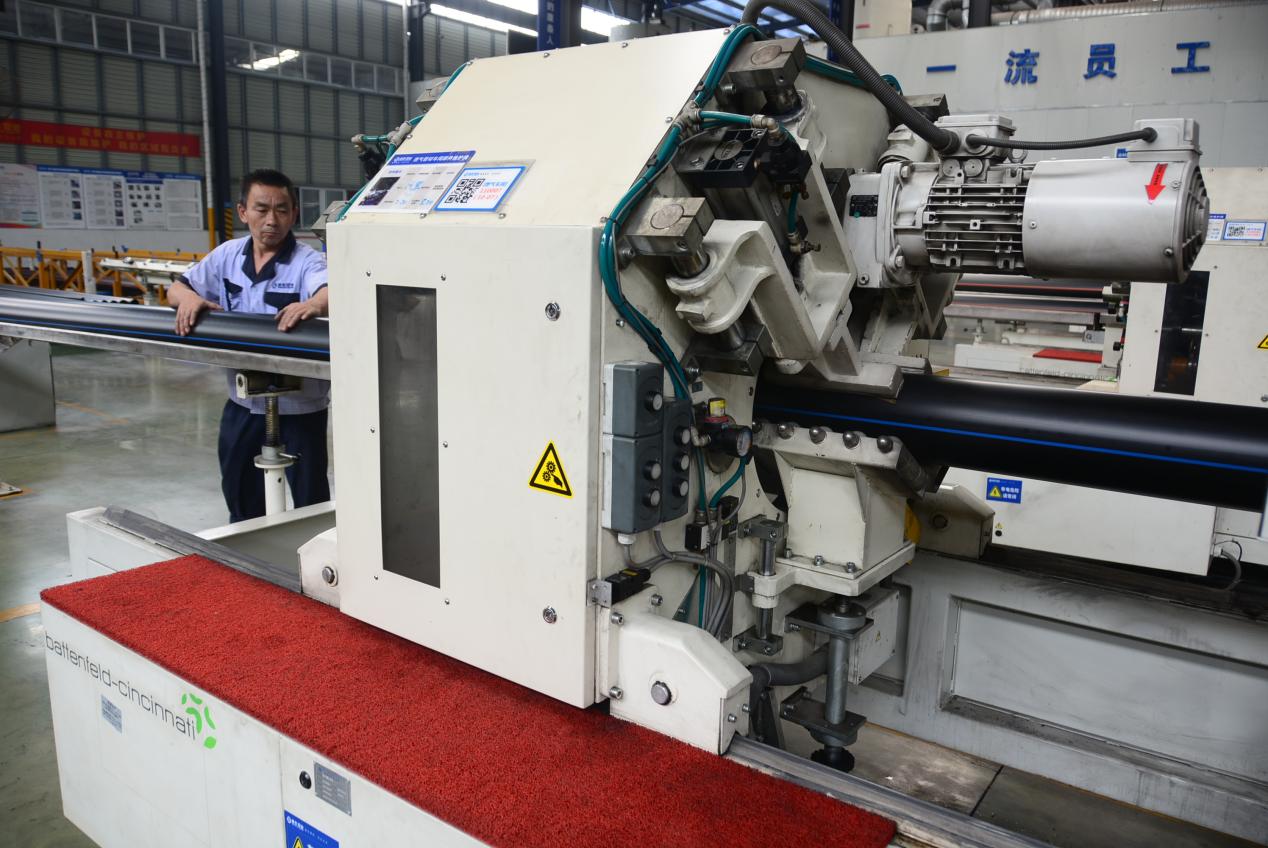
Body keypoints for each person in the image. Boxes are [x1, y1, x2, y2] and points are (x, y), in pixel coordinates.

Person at [167, 169, 331, 522]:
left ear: (294, 213)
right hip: (244, 401)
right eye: (261, 209)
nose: (272, 220)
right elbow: (177, 288)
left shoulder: (307, 261)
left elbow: (329, 291)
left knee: (311, 500)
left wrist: (314, 305)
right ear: (243, 212)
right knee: (239, 491)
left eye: (282, 210)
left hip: (300, 408)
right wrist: (188, 299)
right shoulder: (226, 256)